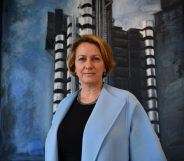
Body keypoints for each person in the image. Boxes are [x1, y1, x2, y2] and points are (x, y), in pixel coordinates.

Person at [45, 34, 167, 161]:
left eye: (96, 59)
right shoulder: (63, 105)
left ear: (105, 66)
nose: (88, 65)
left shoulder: (127, 102)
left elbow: (150, 156)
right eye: (82, 59)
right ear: (74, 67)